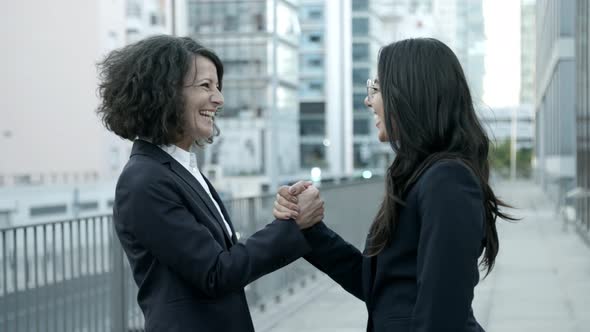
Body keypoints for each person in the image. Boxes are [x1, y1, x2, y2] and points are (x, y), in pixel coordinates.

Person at [274, 38, 514, 332]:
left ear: (410, 93)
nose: (368, 100)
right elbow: (381, 287)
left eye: (376, 88)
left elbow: (441, 316)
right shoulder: (420, 175)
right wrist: (309, 228)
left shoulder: (448, 181)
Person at [97, 35, 324, 332]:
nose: (219, 99)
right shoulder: (144, 180)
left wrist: (288, 218)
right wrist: (292, 226)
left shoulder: (179, 169)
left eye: (217, 87)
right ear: (164, 92)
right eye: (206, 86)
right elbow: (216, 271)